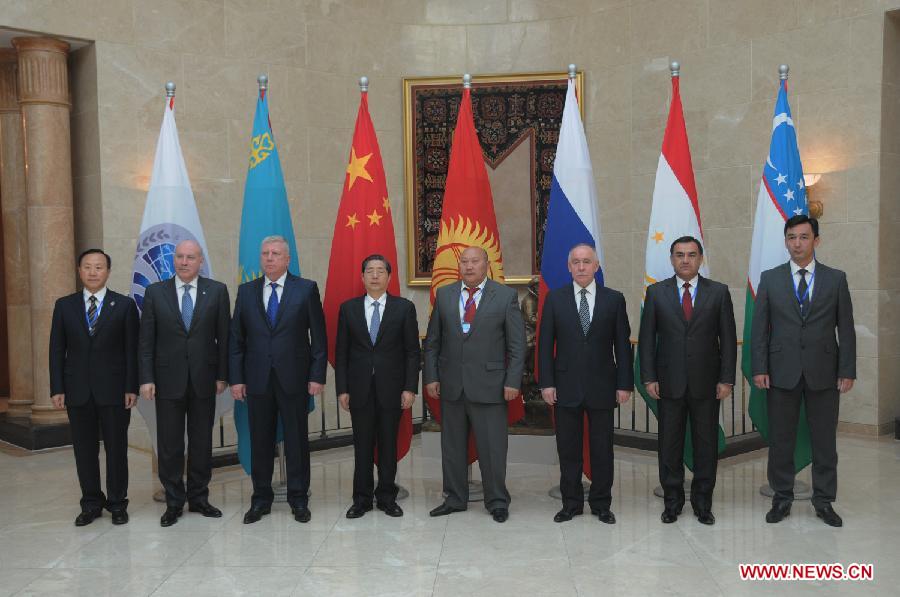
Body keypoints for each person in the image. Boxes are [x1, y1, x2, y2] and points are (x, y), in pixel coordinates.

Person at [752, 215, 855, 527]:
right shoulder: (770, 279)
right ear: (786, 241)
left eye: (804, 237)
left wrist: (847, 369)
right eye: (791, 237)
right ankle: (781, 498)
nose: (797, 243)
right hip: (781, 372)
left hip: (824, 372)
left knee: (825, 441)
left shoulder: (835, 279)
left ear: (816, 240)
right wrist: (759, 367)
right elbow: (760, 330)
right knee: (781, 439)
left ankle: (824, 501)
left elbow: (846, 329)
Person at [638, 236, 736, 525]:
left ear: (700, 259)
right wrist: (649, 377)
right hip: (669, 383)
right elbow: (646, 340)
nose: (685, 260)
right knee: (669, 445)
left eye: (691, 255)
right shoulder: (656, 293)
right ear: (671, 259)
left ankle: (703, 502)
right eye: (679, 255)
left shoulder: (718, 293)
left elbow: (728, 340)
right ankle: (672, 502)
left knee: (705, 445)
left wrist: (727, 379)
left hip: (707, 384)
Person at [229, 235, 327, 524]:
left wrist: (316, 375)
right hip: (257, 379)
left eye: (275, 254)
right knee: (260, 440)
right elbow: (237, 340)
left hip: (295, 379)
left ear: (287, 259)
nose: (269, 258)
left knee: (297, 440)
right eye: (265, 253)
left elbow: (318, 339)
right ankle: (260, 499)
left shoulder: (306, 289)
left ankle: (299, 498)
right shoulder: (246, 292)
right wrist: (236, 379)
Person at [424, 246, 525, 523]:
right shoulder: (444, 295)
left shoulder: (504, 296)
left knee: (492, 448)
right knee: (453, 447)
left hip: (491, 386)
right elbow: (432, 343)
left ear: (486, 264)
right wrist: (431, 377)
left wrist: (512, 381)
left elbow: (517, 347)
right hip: (452, 386)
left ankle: (497, 501)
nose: (469, 267)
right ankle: (455, 498)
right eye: (464, 262)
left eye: (475, 261)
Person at [538, 243, 633, 525]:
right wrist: (547, 383)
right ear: (569, 267)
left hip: (603, 386)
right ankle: (571, 504)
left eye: (586, 262)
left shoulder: (614, 299)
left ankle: (602, 504)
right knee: (568, 449)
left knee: (602, 449)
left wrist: (624, 384)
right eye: (576, 262)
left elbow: (622, 346)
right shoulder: (555, 299)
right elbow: (545, 346)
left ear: (596, 266)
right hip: (565, 386)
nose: (581, 267)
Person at [138, 240, 230, 527]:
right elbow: (146, 341)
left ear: (200, 261)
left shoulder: (216, 291)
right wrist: (147, 378)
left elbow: (224, 338)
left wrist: (222, 375)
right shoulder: (155, 292)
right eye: (179, 256)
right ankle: (174, 501)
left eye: (190, 257)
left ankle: (199, 498)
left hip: (205, 380)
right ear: (173, 260)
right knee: (170, 444)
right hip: (166, 381)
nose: (184, 262)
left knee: (202, 442)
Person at [49, 249, 138, 526]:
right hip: (77, 390)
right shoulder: (65, 305)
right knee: (84, 450)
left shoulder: (123, 305)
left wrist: (131, 387)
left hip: (114, 391)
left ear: (108, 272)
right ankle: (90, 503)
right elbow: (56, 350)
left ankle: (117, 503)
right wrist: (57, 387)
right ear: (79, 270)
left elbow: (131, 351)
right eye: (87, 267)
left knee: (116, 448)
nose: (93, 272)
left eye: (99, 267)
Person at [335, 255, 420, 519]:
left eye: (380, 271)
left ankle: (386, 497)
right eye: (369, 271)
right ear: (362, 277)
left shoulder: (404, 308)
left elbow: (411, 352)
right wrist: (342, 389)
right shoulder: (348, 309)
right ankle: (361, 499)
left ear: (389, 277)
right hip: (359, 389)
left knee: (387, 446)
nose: (374, 275)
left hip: (391, 390)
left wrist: (409, 388)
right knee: (361, 446)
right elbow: (341, 353)